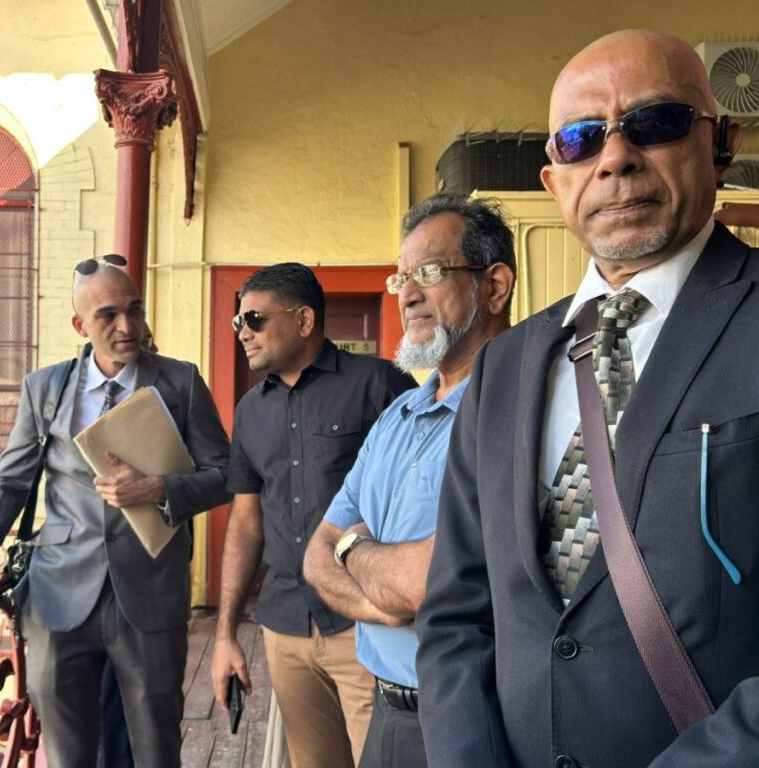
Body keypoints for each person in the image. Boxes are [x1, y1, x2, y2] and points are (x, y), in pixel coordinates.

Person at [416, 29, 759, 768]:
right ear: (554, 180)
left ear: (722, 143)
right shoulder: (505, 366)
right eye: (580, 139)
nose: (615, 158)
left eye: (656, 122)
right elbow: (457, 614)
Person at [0, 255, 231, 767]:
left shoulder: (180, 383)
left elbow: (225, 475)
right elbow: (10, 481)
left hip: (151, 593)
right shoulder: (45, 388)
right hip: (58, 596)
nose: (127, 326)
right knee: (67, 754)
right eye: (108, 315)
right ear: (79, 325)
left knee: (157, 749)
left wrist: (159, 488)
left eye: (134, 309)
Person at [303, 193, 515, 768]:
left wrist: (354, 550)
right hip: (386, 709)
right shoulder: (399, 415)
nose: (408, 295)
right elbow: (317, 553)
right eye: (402, 279)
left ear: (495, 287)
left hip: (477, 715)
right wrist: (382, 602)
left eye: (431, 273)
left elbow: (427, 583)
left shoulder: (518, 408)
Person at [210, 262, 416, 768]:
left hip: (365, 621)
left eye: (255, 320)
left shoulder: (380, 384)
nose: (243, 333)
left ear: (303, 320)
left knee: (383, 760)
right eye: (237, 322)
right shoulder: (250, 411)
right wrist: (225, 634)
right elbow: (245, 523)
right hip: (285, 626)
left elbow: (421, 494)